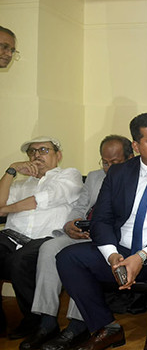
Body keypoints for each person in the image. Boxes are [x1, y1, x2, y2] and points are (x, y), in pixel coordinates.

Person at [56, 113, 147, 350]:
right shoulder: (118, 173)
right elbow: (102, 220)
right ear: (136, 146)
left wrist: (141, 256)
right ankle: (106, 328)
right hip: (122, 250)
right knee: (68, 258)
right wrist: (112, 255)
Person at [21, 135, 133, 350]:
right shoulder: (94, 177)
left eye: (115, 162)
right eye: (105, 162)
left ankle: (78, 325)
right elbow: (80, 206)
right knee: (49, 248)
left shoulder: (136, 180)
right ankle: (47, 321)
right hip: (83, 232)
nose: (108, 168)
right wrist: (70, 224)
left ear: (130, 158)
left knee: (79, 259)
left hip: (108, 238)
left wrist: (100, 231)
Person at [0, 136, 82, 339]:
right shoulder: (21, 184)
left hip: (46, 239)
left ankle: (35, 321)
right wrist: (11, 171)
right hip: (12, 237)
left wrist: (5, 210)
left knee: (20, 261)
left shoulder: (69, 175)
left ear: (58, 155)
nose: (37, 155)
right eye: (32, 151)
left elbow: (41, 200)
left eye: (44, 150)